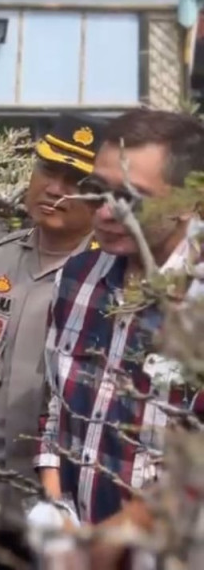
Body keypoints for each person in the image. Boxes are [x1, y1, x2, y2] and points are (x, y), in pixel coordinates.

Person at [35, 108, 204, 563]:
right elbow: (57, 411)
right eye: (98, 189)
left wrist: (122, 534)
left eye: (133, 197)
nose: (107, 212)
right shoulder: (77, 276)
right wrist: (58, 510)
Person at [0, 115, 101, 544]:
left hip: (69, 497)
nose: (54, 189)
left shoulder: (109, 275)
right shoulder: (3, 257)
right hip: (0, 489)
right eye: (48, 170)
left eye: (75, 180)